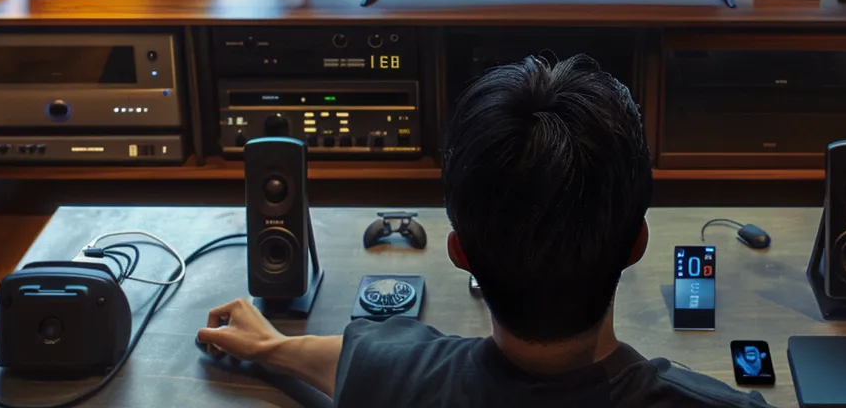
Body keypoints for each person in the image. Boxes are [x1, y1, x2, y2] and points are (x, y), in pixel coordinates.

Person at [197, 55, 771, 407]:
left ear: (459, 253)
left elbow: (345, 362)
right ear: (636, 243)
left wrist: (272, 346)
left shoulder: (395, 379)